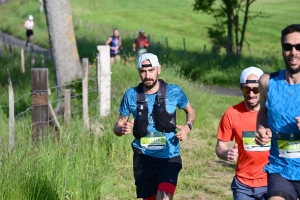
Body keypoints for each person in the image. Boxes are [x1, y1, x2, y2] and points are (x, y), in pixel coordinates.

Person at [113, 53, 195, 200]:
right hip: (143, 159)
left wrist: (187, 127)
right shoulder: (131, 95)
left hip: (169, 158)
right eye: (143, 71)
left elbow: (191, 111)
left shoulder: (174, 91)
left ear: (159, 69)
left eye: (151, 70)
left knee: (163, 197)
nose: (147, 75)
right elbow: (118, 125)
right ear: (139, 72)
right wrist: (121, 129)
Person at [255, 24, 300, 200]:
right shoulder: (267, 82)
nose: (293, 52)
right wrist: (261, 128)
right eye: (288, 47)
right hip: (280, 168)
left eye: (298, 47)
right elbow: (262, 113)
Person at [216, 66, 270, 200]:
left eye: (255, 89)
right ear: (241, 88)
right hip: (243, 185)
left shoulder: (274, 113)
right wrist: (226, 153)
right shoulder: (232, 113)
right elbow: (220, 147)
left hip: (271, 182)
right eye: (247, 89)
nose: (251, 94)